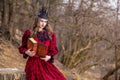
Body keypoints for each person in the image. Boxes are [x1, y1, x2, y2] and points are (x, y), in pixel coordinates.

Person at [18, 7, 67, 80]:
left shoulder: (51, 35)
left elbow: (53, 50)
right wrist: (27, 52)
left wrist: (49, 57)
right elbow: (22, 48)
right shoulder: (29, 33)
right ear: (37, 20)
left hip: (45, 63)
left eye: (45, 21)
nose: (43, 24)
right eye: (41, 21)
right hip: (33, 63)